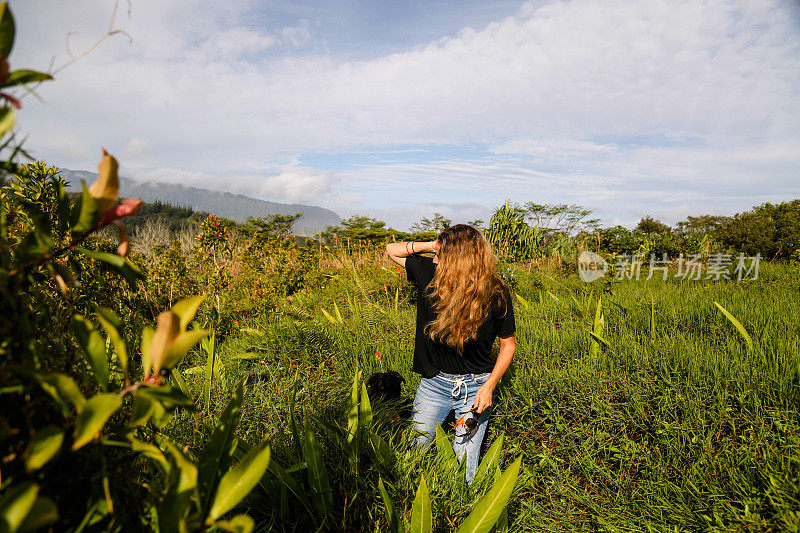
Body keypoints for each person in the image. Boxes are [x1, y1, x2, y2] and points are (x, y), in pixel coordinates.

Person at [385, 224, 516, 484]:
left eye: (439, 254)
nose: (434, 259)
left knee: (464, 464)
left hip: (476, 387)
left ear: (457, 259)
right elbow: (391, 250)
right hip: (433, 383)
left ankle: (462, 509)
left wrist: (489, 386)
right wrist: (433, 245)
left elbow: (508, 345)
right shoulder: (430, 274)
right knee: (414, 450)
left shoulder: (495, 292)